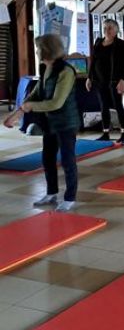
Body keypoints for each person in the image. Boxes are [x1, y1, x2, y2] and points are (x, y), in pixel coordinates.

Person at [4, 35, 80, 212]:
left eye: (38, 48)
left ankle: (70, 198)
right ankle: (51, 192)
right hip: (50, 123)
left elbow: (56, 103)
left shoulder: (66, 71)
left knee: (68, 160)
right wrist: (18, 112)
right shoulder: (47, 68)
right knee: (48, 158)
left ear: (47, 50)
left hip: (66, 123)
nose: (37, 51)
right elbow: (37, 93)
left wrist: (29, 107)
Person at [86, 19, 124, 143]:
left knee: (118, 106)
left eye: (110, 28)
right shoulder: (98, 42)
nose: (107, 30)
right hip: (99, 80)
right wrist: (89, 77)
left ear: (116, 30)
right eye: (105, 28)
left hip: (114, 81)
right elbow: (93, 61)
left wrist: (122, 80)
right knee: (103, 106)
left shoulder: (120, 44)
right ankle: (105, 133)